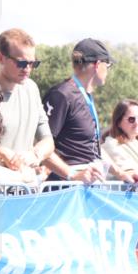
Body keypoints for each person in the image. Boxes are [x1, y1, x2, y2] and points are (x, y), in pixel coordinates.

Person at [41, 38, 110, 182]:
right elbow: (40, 145)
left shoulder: (85, 96)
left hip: (85, 185)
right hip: (65, 190)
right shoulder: (61, 94)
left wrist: (122, 174)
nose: (108, 70)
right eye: (107, 65)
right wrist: (72, 175)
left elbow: (92, 148)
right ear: (97, 65)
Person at [0, 28, 55, 178]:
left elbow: (48, 141)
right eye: (21, 63)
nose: (27, 69)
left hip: (24, 188)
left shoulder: (32, 88)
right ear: (1, 58)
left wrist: (35, 154)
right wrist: (1, 152)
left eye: (33, 63)